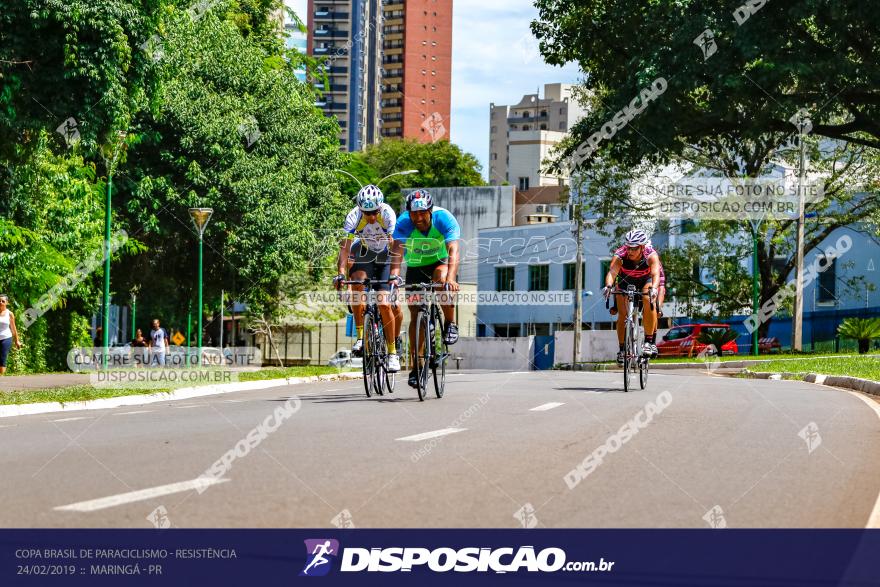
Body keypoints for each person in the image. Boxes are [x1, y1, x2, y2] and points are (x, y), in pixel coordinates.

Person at [390, 189, 461, 388]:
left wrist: (452, 278)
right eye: (414, 214)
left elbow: (453, 251)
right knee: (415, 315)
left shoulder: (444, 218)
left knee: (441, 280)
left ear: (430, 211)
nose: (418, 218)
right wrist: (394, 278)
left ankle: (450, 323)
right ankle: (416, 366)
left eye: (422, 213)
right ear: (408, 213)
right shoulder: (403, 223)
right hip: (415, 267)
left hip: (440, 261)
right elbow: (397, 252)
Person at [333, 184, 403, 373]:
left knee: (384, 303)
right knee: (356, 286)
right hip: (364, 251)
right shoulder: (353, 217)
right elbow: (345, 248)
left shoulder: (388, 214)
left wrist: (394, 276)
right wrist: (340, 273)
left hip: (385, 255)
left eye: (374, 212)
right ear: (360, 209)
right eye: (367, 213)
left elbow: (395, 245)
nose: (371, 217)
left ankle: (392, 353)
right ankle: (361, 337)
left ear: (380, 207)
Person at [602, 230, 661, 364]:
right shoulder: (620, 254)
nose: (630, 251)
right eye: (628, 247)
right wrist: (608, 286)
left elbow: (656, 274)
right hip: (625, 281)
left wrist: (654, 289)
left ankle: (648, 341)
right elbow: (612, 272)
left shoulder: (651, 255)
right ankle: (622, 349)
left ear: (642, 247)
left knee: (648, 299)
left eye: (634, 248)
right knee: (623, 315)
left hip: (645, 281)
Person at [0, 295, 23, 375]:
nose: (1, 302)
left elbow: (13, 328)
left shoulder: (9, 314)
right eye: (0, 301)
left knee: (2, 357)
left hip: (6, 338)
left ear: (7, 303)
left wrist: (17, 341)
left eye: (3, 301)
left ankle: (1, 377)